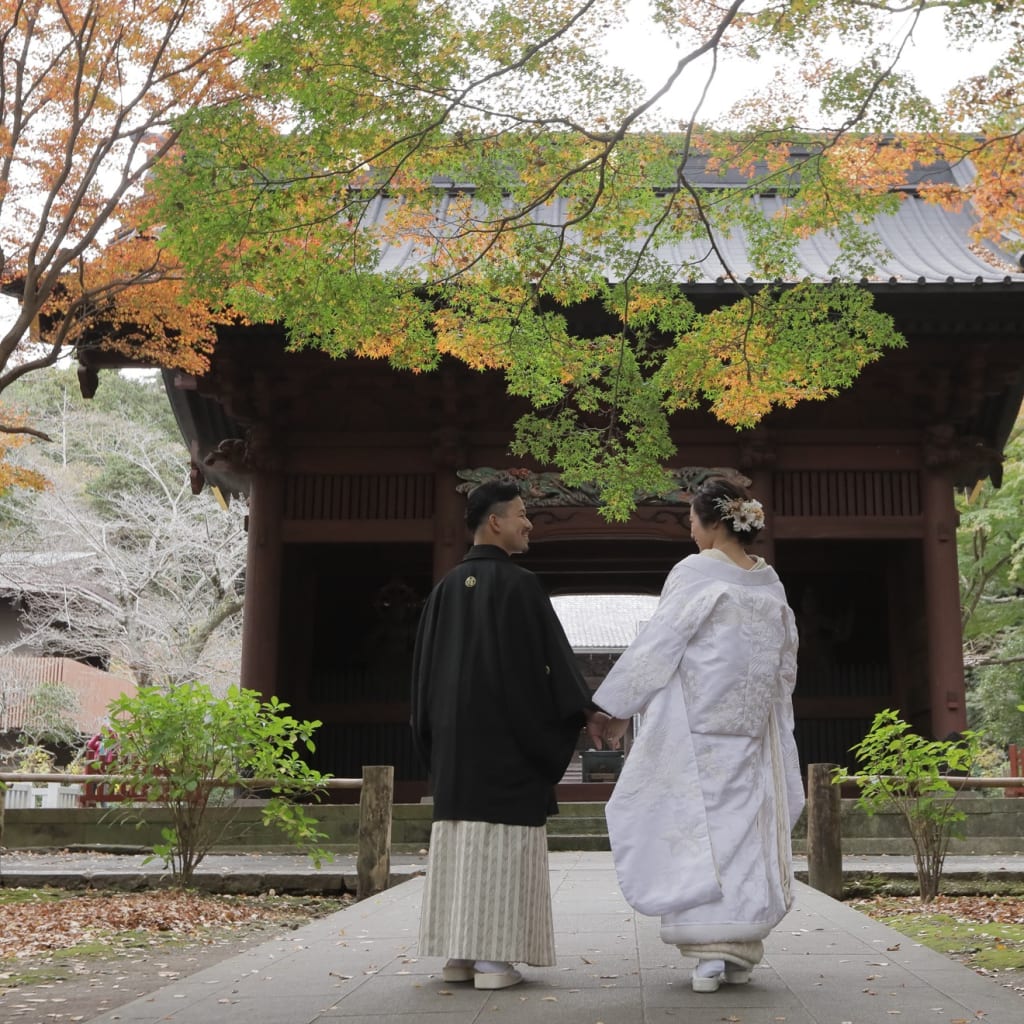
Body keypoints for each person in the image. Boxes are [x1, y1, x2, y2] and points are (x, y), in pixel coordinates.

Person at [594, 477, 803, 993]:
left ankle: (709, 957)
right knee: (746, 829)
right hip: (753, 728)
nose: (690, 532)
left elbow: (661, 642)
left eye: (691, 520)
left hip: (698, 725)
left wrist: (617, 706)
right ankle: (738, 948)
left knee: (700, 829)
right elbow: (785, 662)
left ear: (712, 522)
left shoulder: (695, 571)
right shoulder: (768, 581)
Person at [410, 477, 611, 990]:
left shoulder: (443, 591)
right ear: (494, 521)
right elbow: (552, 669)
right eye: (522, 514)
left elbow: (422, 681)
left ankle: (459, 953)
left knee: (460, 841)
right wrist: (585, 714)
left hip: (456, 751)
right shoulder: (521, 587)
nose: (529, 524)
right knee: (500, 844)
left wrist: (434, 741)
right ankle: (495, 960)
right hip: (508, 748)